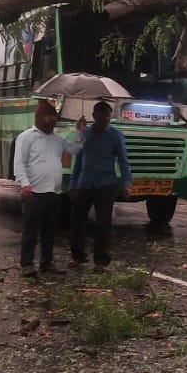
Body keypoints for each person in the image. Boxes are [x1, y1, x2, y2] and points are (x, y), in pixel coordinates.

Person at [13, 99, 86, 277]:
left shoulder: (57, 140)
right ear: (38, 117)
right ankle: (27, 264)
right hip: (33, 192)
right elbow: (19, 164)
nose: (53, 121)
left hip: (53, 192)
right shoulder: (26, 137)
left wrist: (79, 130)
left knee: (49, 231)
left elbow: (74, 149)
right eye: (49, 117)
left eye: (54, 117)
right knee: (31, 230)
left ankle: (46, 263)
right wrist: (25, 184)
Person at [70, 101, 132, 270]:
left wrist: (127, 183)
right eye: (101, 115)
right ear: (94, 116)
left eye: (107, 115)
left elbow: (124, 161)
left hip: (105, 184)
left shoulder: (116, 135)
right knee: (77, 220)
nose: (104, 118)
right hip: (85, 183)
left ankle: (101, 260)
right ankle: (77, 256)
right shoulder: (85, 133)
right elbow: (78, 159)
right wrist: (73, 182)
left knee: (104, 223)